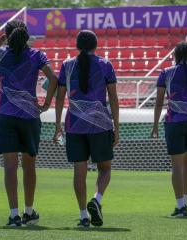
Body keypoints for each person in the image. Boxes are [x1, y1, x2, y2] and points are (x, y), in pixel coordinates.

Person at [0, 20, 58, 227]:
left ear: (7, 36)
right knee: (29, 166)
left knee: (9, 167)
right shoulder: (37, 55)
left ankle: (14, 215)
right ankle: (28, 212)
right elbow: (53, 79)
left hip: (5, 116)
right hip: (29, 117)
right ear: (26, 35)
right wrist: (45, 104)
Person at [53, 30, 119, 227]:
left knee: (79, 171)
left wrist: (57, 125)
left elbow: (59, 97)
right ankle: (96, 199)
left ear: (77, 46)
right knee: (105, 169)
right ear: (95, 45)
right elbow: (114, 99)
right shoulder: (105, 65)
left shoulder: (67, 65)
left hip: (74, 125)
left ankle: (83, 216)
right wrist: (117, 127)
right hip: (100, 125)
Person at [151, 42, 187, 217]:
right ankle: (186, 201)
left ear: (175, 55)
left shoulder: (166, 73)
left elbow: (159, 101)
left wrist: (155, 124)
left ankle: (180, 206)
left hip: (174, 121)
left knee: (176, 165)